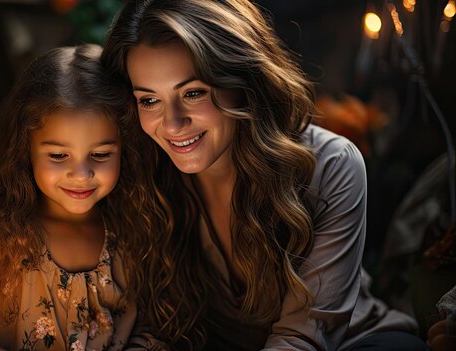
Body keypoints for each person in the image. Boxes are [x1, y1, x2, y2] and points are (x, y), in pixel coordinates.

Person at [101, 0, 428, 350]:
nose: (172, 124)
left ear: (242, 78)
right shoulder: (143, 174)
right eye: (149, 100)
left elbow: (304, 335)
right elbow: (151, 329)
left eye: (193, 93)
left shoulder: (331, 164)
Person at [0, 44, 161, 350]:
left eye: (100, 154)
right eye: (58, 155)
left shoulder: (131, 230)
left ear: (125, 149)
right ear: (25, 150)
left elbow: (149, 326)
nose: (81, 174)